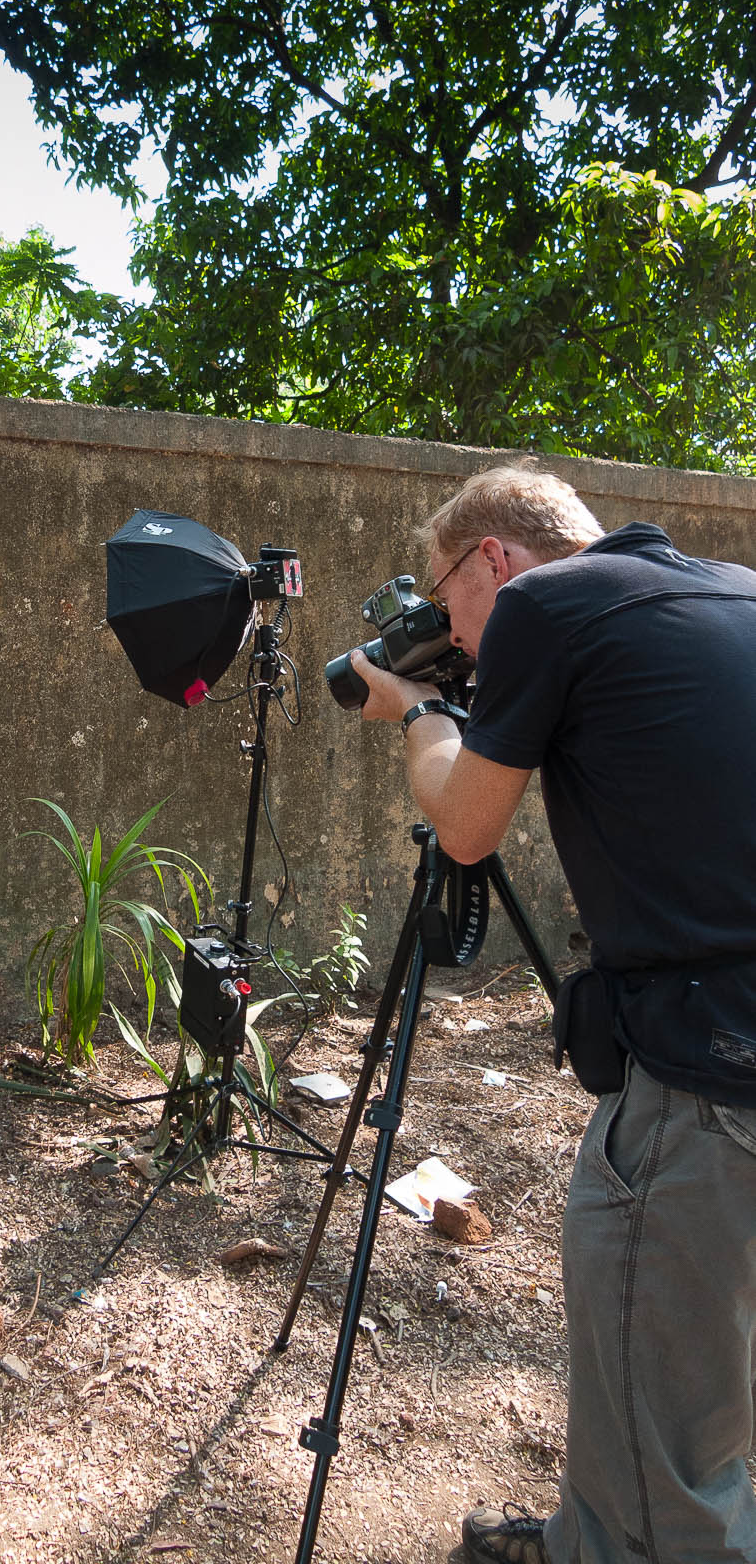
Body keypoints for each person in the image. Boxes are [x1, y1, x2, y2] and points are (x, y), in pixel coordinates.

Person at [350, 463, 756, 1564]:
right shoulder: (729, 588)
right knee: (704, 1360)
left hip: (712, 1057)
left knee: (658, 1369)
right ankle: (591, 1533)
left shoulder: (541, 601)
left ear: (494, 558)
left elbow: (466, 826)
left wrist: (418, 709)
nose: (454, 632)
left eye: (448, 600)